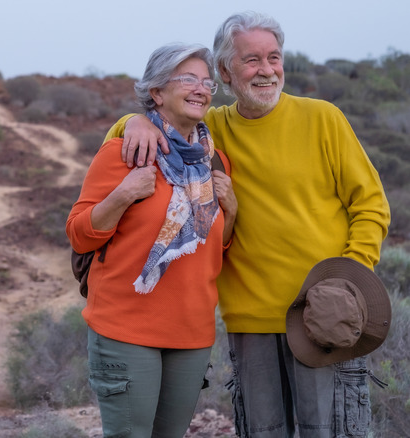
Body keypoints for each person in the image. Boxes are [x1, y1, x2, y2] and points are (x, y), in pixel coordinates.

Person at [104, 11, 391, 438]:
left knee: (331, 432)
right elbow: (123, 137)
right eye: (251, 60)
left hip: (326, 315)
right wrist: (138, 120)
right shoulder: (211, 128)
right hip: (251, 321)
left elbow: (370, 206)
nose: (266, 71)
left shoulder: (323, 118)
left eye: (273, 58)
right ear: (225, 70)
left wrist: (348, 279)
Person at [66, 43, 237, 437]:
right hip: (127, 330)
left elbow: (215, 250)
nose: (201, 88)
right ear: (157, 92)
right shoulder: (124, 151)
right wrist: (124, 193)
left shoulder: (213, 161)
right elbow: (79, 234)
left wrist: (234, 208)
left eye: (206, 81)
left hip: (191, 334)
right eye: (188, 79)